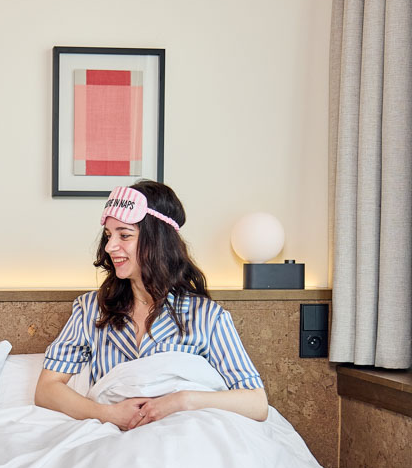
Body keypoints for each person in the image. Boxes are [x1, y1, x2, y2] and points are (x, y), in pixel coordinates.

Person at [35, 181, 267, 428]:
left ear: (158, 240)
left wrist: (182, 401)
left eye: (124, 235)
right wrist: (107, 414)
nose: (110, 246)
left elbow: (257, 402)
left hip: (184, 437)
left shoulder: (207, 316)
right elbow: (47, 389)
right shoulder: (91, 309)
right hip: (110, 440)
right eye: (108, 236)